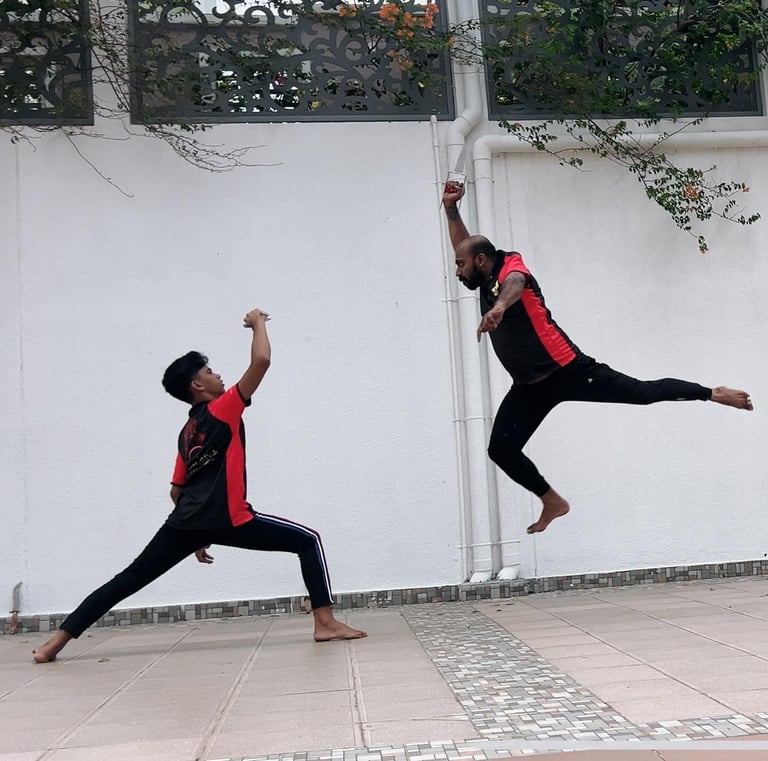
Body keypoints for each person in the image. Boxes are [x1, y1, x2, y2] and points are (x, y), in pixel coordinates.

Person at [33, 308, 366, 663]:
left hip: (184, 524)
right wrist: (257, 323)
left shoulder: (186, 433)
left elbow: (176, 490)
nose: (217, 375)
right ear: (197, 385)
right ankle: (324, 623)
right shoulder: (224, 409)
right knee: (307, 540)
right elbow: (262, 361)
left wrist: (195, 534)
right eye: (209, 372)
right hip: (232, 520)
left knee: (128, 579)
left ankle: (55, 643)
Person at [442, 179, 753, 535]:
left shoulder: (510, 267)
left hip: (568, 370)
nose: (458, 271)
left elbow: (516, 283)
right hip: (529, 387)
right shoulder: (482, 272)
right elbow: (465, 245)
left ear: (481, 261)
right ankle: (552, 501)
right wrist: (451, 209)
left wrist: (498, 308)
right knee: (501, 449)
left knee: (642, 393)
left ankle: (712, 393)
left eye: (460, 265)